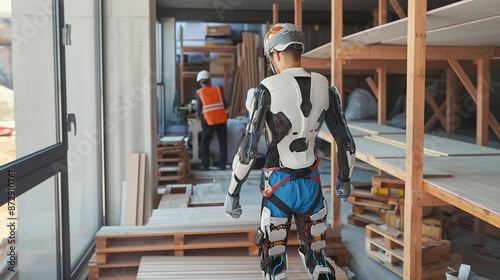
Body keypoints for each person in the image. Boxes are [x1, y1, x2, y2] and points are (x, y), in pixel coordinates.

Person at [224, 23, 356, 280]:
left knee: (274, 262)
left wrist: (233, 192)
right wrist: (345, 179)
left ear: (274, 54)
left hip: (278, 187)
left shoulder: (266, 89)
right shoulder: (325, 87)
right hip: (312, 184)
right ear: (299, 50)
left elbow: (248, 148)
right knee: (318, 258)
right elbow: (346, 142)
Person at [195, 70, 228, 170]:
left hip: (209, 120)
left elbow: (198, 109)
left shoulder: (199, 92)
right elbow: (225, 105)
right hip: (221, 118)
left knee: (204, 142)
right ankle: (222, 165)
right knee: (223, 142)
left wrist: (197, 113)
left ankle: (205, 165)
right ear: (209, 80)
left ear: (200, 82)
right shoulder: (218, 89)